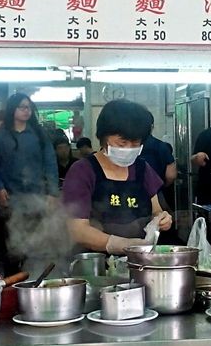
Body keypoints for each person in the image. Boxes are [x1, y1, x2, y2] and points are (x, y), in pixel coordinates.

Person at [64, 99, 173, 254]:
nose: (128, 148)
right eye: (122, 143)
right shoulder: (82, 171)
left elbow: (156, 210)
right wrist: (120, 244)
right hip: (95, 262)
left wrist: (161, 219)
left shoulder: (142, 169)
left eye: (135, 143)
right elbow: (77, 229)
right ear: (103, 137)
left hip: (139, 260)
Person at [0, 93, 59, 272]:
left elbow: (50, 164)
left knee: (36, 246)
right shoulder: (1, 136)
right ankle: (12, 282)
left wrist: (52, 193)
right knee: (11, 249)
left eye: (29, 107)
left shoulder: (39, 135)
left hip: (37, 199)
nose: (27, 111)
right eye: (22, 107)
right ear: (13, 109)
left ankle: (34, 279)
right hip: (10, 200)